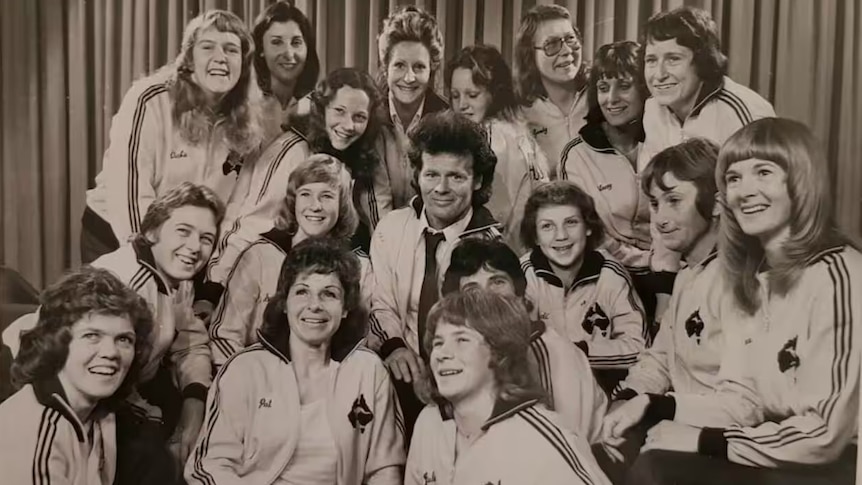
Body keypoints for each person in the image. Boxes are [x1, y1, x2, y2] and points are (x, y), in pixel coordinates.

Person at [620, 118, 861, 485]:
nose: (745, 191)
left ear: (801, 180)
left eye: (763, 172)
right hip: (776, 448)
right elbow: (743, 399)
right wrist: (654, 405)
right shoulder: (756, 279)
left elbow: (824, 434)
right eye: (734, 178)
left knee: (657, 469)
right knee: (652, 459)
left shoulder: (838, 273)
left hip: (837, 464)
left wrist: (706, 440)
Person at [5, 182, 224, 477]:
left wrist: (194, 402)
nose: (195, 247)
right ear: (152, 232)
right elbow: (69, 363)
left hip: (107, 391)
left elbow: (191, 342)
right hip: (34, 380)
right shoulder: (124, 281)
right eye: (183, 231)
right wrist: (153, 419)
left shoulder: (177, 280)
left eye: (206, 238)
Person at [186, 238, 404, 484]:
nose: (314, 306)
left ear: (345, 308)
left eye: (329, 294)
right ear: (285, 303)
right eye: (302, 291)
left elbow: (384, 469)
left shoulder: (368, 369)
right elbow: (209, 467)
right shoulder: (244, 369)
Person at [82, 10, 262, 263]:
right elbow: (130, 189)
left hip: (185, 246)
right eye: (207, 47)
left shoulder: (247, 121)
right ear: (188, 59)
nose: (220, 58)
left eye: (231, 50)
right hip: (120, 235)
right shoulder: (149, 99)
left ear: (243, 65)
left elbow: (234, 205)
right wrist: (145, 258)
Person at [595, 138, 724, 483]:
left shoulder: (739, 280)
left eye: (674, 201)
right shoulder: (686, 275)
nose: (661, 218)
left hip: (717, 437)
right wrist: (627, 397)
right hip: (672, 418)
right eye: (654, 203)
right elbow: (659, 358)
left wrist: (665, 416)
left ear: (715, 204)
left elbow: (742, 400)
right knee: (592, 452)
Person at [367, 111, 501, 439]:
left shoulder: (493, 247)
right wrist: (395, 347)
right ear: (418, 175)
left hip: (464, 379)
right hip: (402, 371)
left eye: (456, 177)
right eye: (432, 175)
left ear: (478, 180)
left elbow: (489, 337)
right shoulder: (391, 228)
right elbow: (380, 302)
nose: (441, 188)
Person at [206, 68, 391, 302]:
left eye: (359, 117)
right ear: (322, 109)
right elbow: (251, 224)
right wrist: (214, 287)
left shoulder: (364, 155)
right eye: (339, 112)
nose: (348, 125)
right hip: (279, 274)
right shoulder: (294, 149)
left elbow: (381, 223)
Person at [405, 290, 611, 485]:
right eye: (438, 343)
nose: (442, 354)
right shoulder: (428, 423)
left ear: (499, 352)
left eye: (461, 340)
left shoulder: (540, 438)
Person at [209, 154, 376, 369]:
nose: (315, 206)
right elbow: (224, 335)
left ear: (342, 204)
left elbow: (362, 343)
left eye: (327, 196)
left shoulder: (360, 266)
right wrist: (248, 381)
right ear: (293, 200)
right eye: (305, 194)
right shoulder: (259, 256)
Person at [441, 238, 607, 443]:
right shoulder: (461, 359)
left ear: (519, 294)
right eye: (473, 290)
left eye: (498, 282)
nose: (488, 296)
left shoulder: (553, 352)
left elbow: (569, 447)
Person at [0, 267, 155, 485]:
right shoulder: (35, 431)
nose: (111, 352)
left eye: (123, 339)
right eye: (92, 336)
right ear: (57, 344)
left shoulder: (100, 413)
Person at [520, 181, 646, 393]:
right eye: (547, 226)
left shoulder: (611, 275)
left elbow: (640, 348)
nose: (561, 236)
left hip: (603, 390)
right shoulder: (524, 276)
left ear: (588, 227)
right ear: (535, 236)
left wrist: (582, 351)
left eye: (571, 222)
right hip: (541, 392)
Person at [636, 6, 775, 173]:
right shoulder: (652, 108)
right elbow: (649, 185)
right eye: (651, 60)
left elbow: (760, 188)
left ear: (702, 61)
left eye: (673, 59)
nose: (659, 74)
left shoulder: (740, 111)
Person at [446, 44, 551, 253]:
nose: (461, 105)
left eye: (472, 95)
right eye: (455, 95)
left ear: (494, 94)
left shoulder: (495, 139)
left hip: (504, 254)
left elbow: (492, 216)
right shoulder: (517, 131)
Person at [376, 5, 449, 208]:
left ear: (432, 68)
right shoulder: (368, 116)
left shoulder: (446, 119)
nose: (409, 78)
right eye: (399, 65)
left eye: (419, 67)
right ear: (385, 67)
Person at [515, 4, 589, 171]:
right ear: (529, 55)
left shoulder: (601, 97)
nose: (566, 50)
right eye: (551, 44)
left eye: (570, 38)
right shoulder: (520, 114)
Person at [252, 0, 320, 138]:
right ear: (261, 49)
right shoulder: (245, 108)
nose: (289, 53)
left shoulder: (321, 110)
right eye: (277, 42)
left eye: (296, 43)